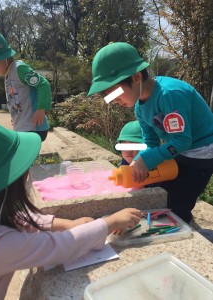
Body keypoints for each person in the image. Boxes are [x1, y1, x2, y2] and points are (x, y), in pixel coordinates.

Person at [0, 119, 141, 299]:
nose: (27, 173)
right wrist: (110, 222)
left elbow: (17, 218)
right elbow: (60, 247)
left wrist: (66, 223)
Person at [88, 42, 213, 223]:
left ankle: (187, 232)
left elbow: (182, 140)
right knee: (158, 190)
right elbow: (151, 142)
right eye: (109, 97)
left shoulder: (169, 94)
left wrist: (146, 160)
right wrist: (139, 161)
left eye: (115, 93)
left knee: (177, 204)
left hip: (201, 152)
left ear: (136, 77)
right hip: (180, 149)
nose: (114, 101)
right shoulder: (140, 107)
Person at [0, 28, 51, 141]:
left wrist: (41, 109)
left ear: (1, 59)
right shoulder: (8, 74)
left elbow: (43, 84)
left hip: (34, 126)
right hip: (23, 126)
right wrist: (15, 117)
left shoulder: (19, 68)